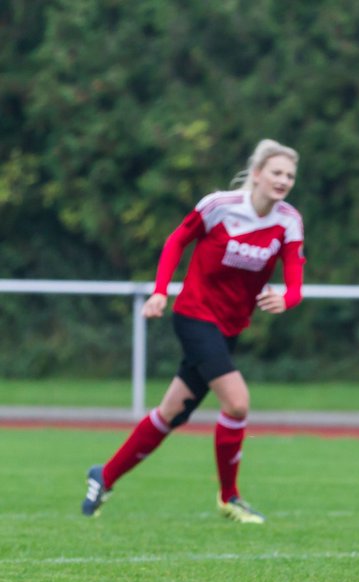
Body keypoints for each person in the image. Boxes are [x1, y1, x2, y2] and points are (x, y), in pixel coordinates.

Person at [81, 139, 305, 523]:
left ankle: (105, 475)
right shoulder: (220, 207)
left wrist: (288, 299)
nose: (283, 180)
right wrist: (158, 292)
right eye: (276, 172)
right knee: (237, 402)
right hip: (195, 315)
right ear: (256, 174)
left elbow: (296, 281)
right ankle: (229, 497)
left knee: (172, 412)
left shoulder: (288, 221)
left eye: (290, 175)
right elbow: (176, 240)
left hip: (230, 326)